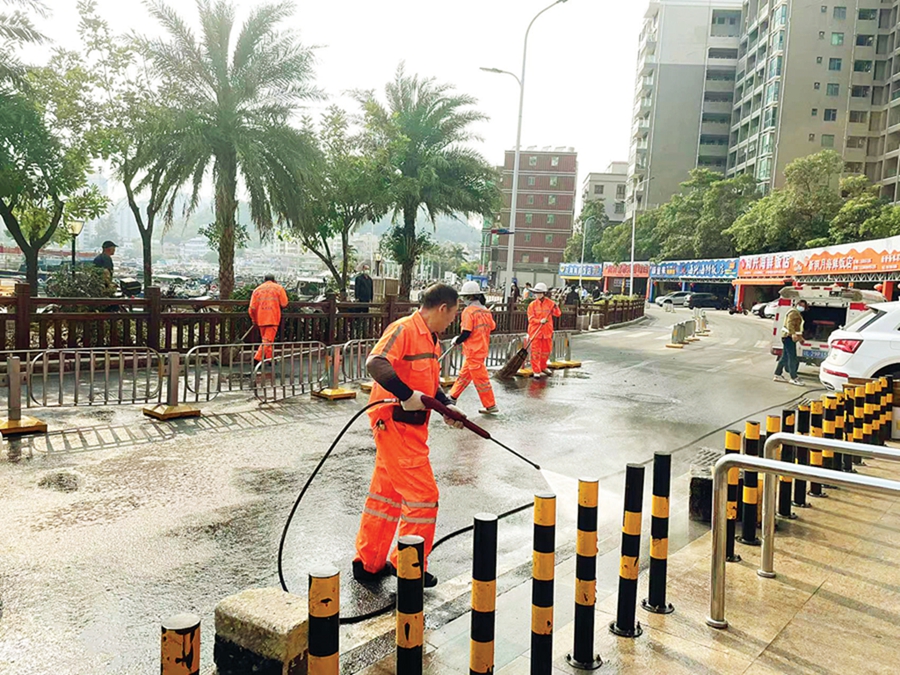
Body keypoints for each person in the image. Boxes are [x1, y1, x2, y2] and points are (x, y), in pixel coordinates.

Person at [353, 283, 465, 588]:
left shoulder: (431, 339)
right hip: (394, 422)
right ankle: (409, 568)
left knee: (386, 496)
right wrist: (405, 395)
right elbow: (375, 363)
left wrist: (447, 406)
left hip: (411, 425)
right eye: (452, 316)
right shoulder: (404, 329)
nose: (451, 322)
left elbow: (429, 384)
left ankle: (368, 563)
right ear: (442, 308)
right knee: (423, 497)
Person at [449, 281, 499, 414]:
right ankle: (452, 397)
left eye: (464, 297)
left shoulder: (469, 311)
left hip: (473, 351)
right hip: (481, 350)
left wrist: (457, 340)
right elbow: (492, 326)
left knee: (481, 380)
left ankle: (490, 405)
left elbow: (466, 332)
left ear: (470, 297)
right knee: (464, 376)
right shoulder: (485, 311)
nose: (463, 299)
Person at [249, 274, 288, 362]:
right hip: (273, 318)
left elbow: (252, 308)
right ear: (274, 280)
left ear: (264, 280)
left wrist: (254, 319)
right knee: (267, 340)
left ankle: (269, 359)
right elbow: (284, 303)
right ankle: (257, 358)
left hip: (260, 319)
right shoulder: (279, 288)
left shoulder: (257, 290)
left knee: (266, 340)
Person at [527, 282, 561, 378]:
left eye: (539, 293)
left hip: (546, 332)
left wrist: (556, 307)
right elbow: (531, 319)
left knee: (546, 352)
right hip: (535, 332)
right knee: (535, 352)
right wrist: (539, 321)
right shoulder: (532, 305)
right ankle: (536, 370)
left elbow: (558, 314)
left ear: (543, 293)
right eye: (536, 293)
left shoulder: (550, 303)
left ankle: (543, 367)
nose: (537, 295)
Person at [774, 300, 807, 386]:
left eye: (803, 306)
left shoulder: (796, 312)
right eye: (801, 305)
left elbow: (797, 329)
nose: (802, 307)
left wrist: (800, 338)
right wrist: (793, 334)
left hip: (787, 337)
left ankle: (777, 374)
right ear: (797, 304)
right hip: (788, 337)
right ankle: (793, 377)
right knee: (792, 358)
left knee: (785, 357)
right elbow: (790, 325)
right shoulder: (793, 313)